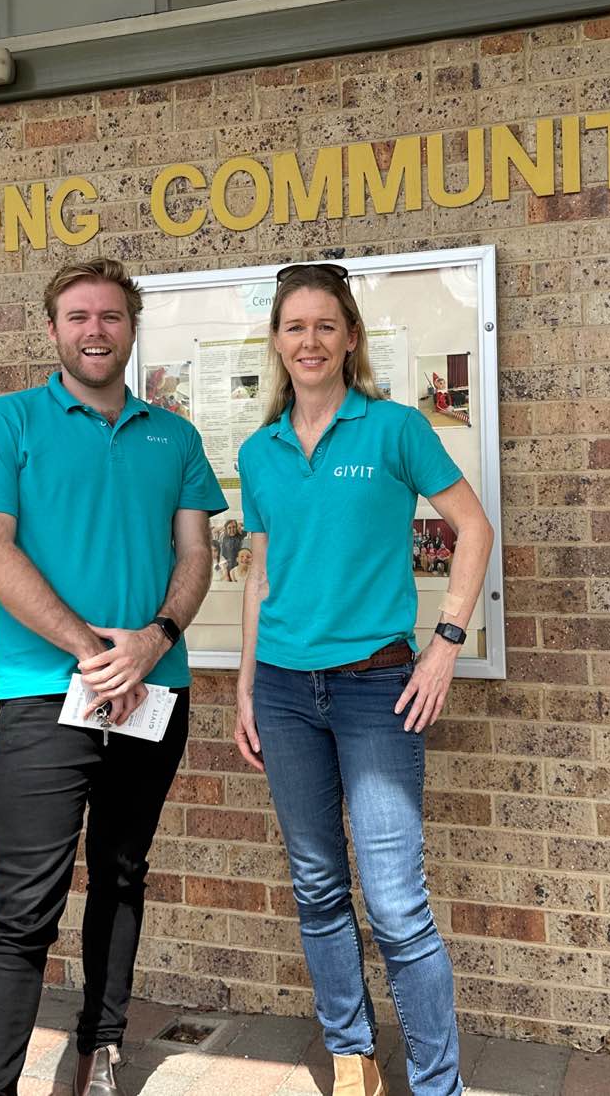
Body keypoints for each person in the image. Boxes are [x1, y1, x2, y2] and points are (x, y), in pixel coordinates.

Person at [0, 258, 225, 1096]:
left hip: (154, 694)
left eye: (110, 316)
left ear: (132, 327)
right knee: (26, 905)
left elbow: (196, 554)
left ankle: (99, 1051)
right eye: (78, 316)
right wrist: (96, 653)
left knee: (123, 875)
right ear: (53, 327)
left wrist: (156, 638)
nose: (95, 330)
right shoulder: (7, 422)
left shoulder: (174, 436)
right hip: (41, 695)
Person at [233, 263, 493, 1096]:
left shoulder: (392, 429)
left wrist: (445, 643)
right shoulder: (259, 450)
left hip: (377, 689)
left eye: (324, 326)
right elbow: (260, 571)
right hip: (282, 691)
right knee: (316, 885)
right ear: (277, 342)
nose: (309, 341)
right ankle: (353, 1061)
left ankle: (436, 1083)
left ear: (349, 338)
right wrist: (244, 685)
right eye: (293, 327)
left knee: (394, 903)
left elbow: (473, 527)